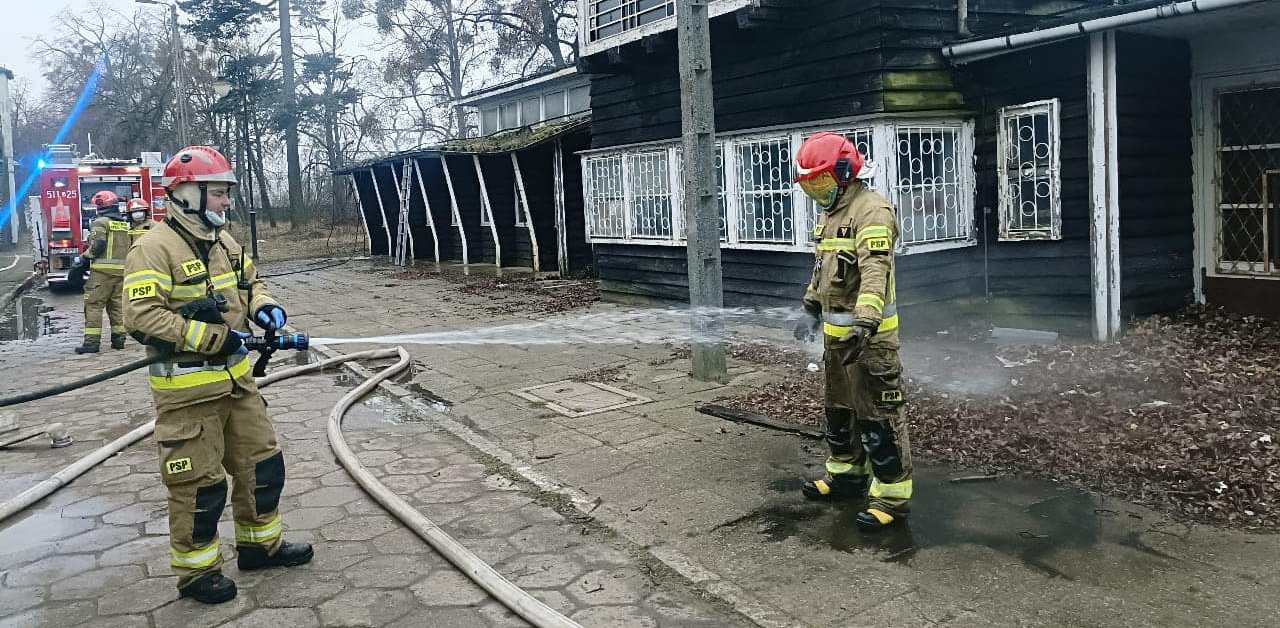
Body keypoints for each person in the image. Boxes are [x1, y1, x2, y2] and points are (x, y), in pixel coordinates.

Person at [123, 146, 312, 604]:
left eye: (228, 193)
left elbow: (252, 284)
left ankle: (259, 547)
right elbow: (140, 315)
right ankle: (197, 573)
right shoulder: (152, 248)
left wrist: (265, 309)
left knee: (263, 467)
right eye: (219, 192)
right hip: (189, 397)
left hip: (238, 385)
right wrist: (207, 337)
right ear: (186, 193)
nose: (227, 201)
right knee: (200, 488)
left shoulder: (224, 242)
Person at [792, 132, 913, 531]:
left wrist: (865, 322)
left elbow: (875, 273)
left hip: (870, 342)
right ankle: (846, 478)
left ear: (846, 172)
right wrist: (810, 308)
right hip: (836, 343)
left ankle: (891, 499)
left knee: (878, 418)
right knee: (840, 413)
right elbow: (823, 272)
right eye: (809, 184)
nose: (816, 192)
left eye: (821, 182)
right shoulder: (830, 216)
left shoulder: (872, 212)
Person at [72, 191, 129, 353]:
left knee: (93, 305)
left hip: (102, 273)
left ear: (100, 206)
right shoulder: (123, 224)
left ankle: (91, 342)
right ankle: (119, 340)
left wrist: (83, 259)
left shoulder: (100, 222)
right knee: (116, 306)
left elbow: (98, 245)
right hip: (120, 273)